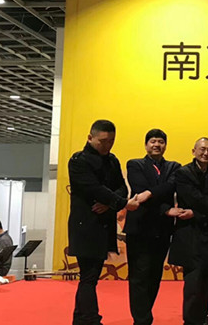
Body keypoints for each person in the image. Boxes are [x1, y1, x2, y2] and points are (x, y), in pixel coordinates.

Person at [68, 119, 140, 325]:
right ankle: (90, 319)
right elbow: (92, 188)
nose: (107, 145)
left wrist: (110, 204)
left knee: (90, 276)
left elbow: (122, 188)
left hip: (103, 225)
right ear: (90, 137)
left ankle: (81, 319)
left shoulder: (112, 160)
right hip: (85, 226)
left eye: (111, 141)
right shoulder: (78, 161)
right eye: (103, 141)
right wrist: (121, 203)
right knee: (89, 277)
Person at [168, 137, 208, 325]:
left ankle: (201, 318)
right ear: (193, 151)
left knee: (205, 282)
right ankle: (190, 321)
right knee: (193, 283)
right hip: (189, 234)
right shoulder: (183, 173)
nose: (206, 153)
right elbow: (194, 198)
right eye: (202, 149)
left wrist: (198, 212)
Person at [124, 129, 181, 325]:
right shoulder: (134, 164)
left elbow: (171, 186)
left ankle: (144, 315)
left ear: (165, 145)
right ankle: (142, 320)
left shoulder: (174, 167)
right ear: (146, 144)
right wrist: (164, 207)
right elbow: (138, 189)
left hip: (162, 230)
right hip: (139, 228)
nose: (157, 145)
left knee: (154, 275)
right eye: (153, 141)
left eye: (161, 142)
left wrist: (150, 192)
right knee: (139, 276)